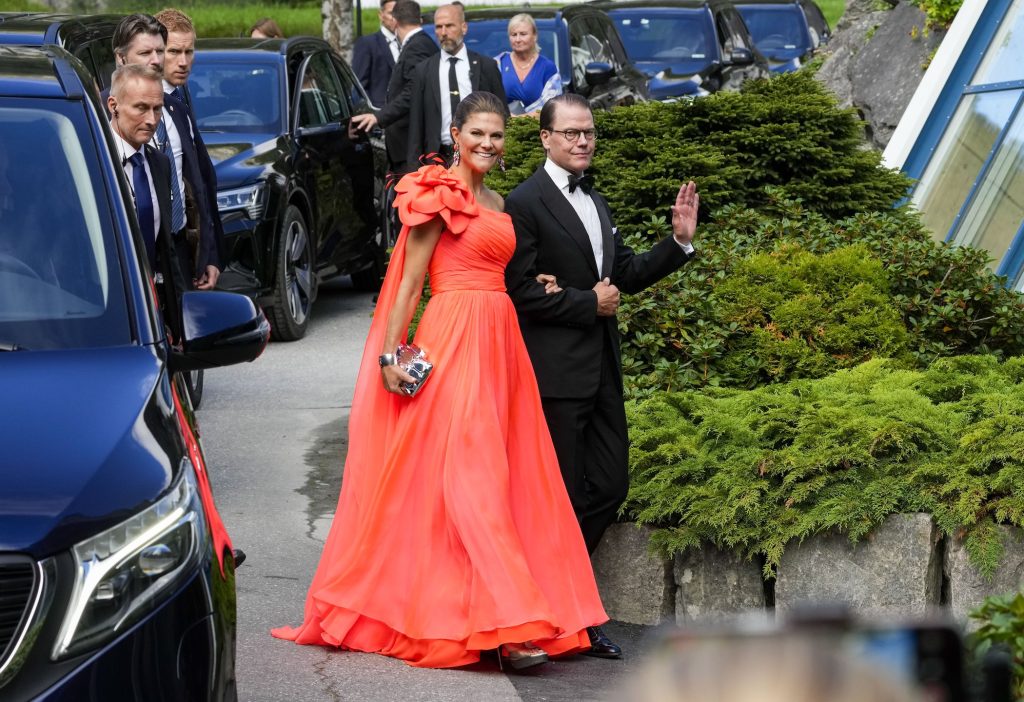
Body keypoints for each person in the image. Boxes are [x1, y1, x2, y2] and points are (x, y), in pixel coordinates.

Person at [272, 91, 607, 669]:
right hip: (452, 341)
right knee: (473, 481)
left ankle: (485, 613)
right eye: (477, 133)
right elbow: (407, 285)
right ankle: (509, 628)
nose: (486, 143)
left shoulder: (501, 201)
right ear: (456, 133)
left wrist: (541, 281)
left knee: (502, 482)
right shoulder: (437, 194)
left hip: (502, 345)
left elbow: (506, 272)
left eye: (496, 135)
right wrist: (389, 357)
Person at [504, 92, 698, 659]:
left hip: (604, 373)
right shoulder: (525, 202)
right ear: (545, 138)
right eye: (570, 133)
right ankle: (566, 616)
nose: (582, 140)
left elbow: (625, 275)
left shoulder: (598, 200)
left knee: (611, 486)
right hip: (556, 377)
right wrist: (588, 304)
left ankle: (560, 599)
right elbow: (519, 295)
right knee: (561, 498)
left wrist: (679, 242)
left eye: (588, 132)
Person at [154, 8, 224, 291]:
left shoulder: (180, 93)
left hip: (185, 246)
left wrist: (210, 253)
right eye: (174, 52)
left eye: (189, 51)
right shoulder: (144, 106)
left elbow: (200, 180)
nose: (183, 62)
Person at [406, 4, 506, 166]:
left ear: (464, 27)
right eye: (439, 27)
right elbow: (416, 124)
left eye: (449, 25)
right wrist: (413, 169)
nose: (443, 32)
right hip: (437, 159)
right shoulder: (423, 70)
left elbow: (503, 116)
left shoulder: (486, 67)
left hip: (480, 155)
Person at [350, 0, 438, 174]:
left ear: (396, 21)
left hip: (409, 144)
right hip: (404, 143)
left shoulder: (417, 47)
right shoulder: (423, 43)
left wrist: (379, 117)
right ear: (419, 19)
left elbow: (413, 90)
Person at [496, 14, 561, 117]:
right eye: (513, 35)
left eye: (523, 34)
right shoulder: (499, 63)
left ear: (535, 36)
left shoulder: (548, 68)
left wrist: (521, 119)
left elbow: (553, 108)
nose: (517, 39)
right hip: (503, 127)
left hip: (537, 128)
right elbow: (488, 100)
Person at [351, 0, 399, 107]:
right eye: (391, 13)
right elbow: (359, 87)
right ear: (381, 15)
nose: (395, 18)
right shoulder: (367, 43)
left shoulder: (408, 43)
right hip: (378, 115)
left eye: (399, 13)